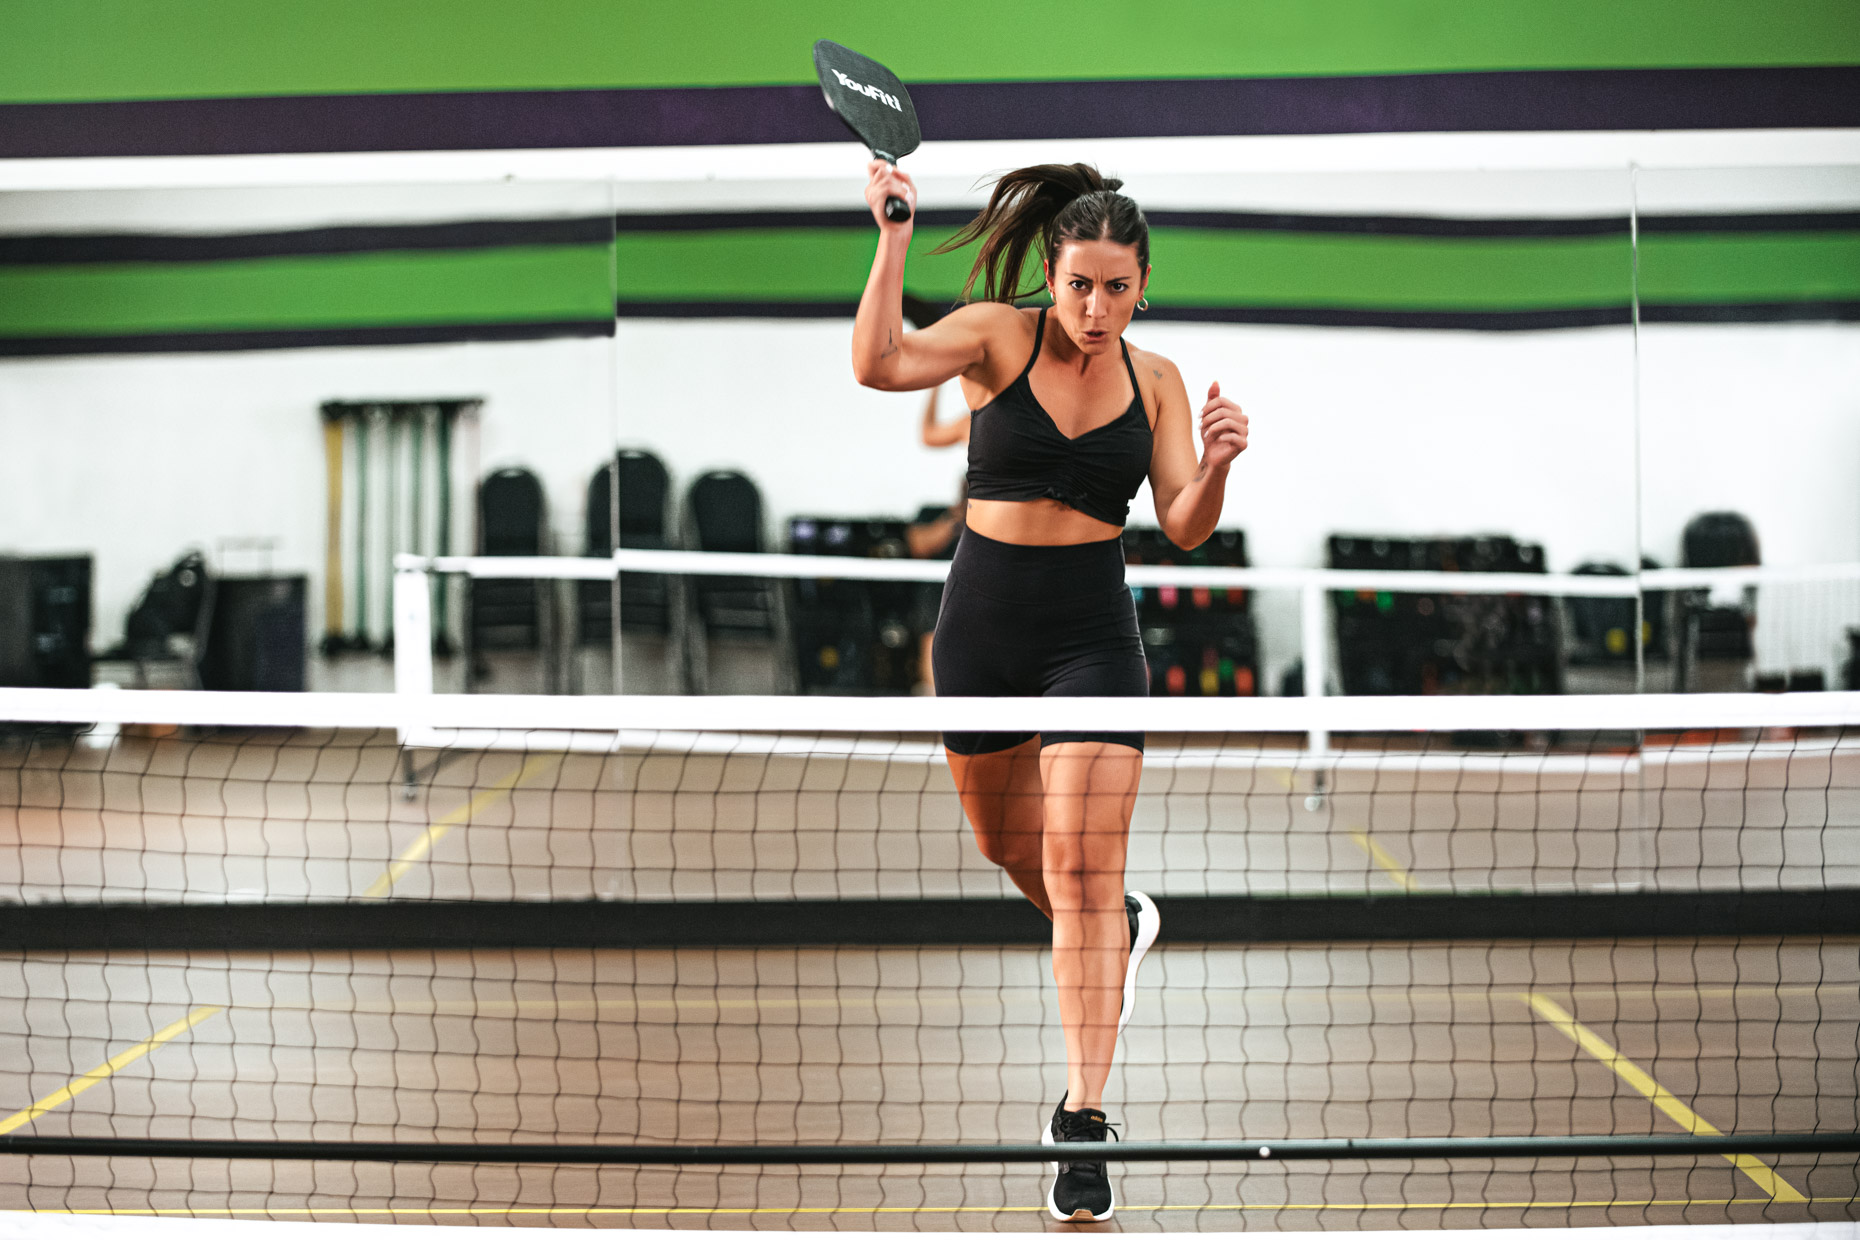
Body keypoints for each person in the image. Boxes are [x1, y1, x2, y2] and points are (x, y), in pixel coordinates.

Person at [850, 160, 1248, 1221]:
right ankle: (1112, 922)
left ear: (1143, 286)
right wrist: (894, 235)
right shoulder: (994, 334)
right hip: (980, 633)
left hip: (1091, 638)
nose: (1096, 307)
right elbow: (878, 362)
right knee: (1005, 847)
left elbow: (1186, 519)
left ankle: (1082, 1122)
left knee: (1077, 861)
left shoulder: (1156, 379)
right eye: (1080, 285)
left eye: (1117, 288)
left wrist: (1215, 464)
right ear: (1052, 275)